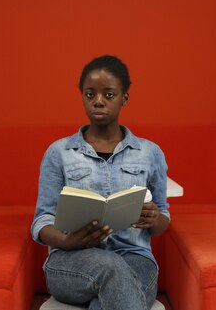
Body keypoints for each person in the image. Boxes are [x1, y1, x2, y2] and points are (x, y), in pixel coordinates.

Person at [31, 55, 170, 310]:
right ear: (82, 96)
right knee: (111, 268)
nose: (98, 101)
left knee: (109, 295)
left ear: (124, 98)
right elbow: (41, 221)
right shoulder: (58, 152)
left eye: (108, 94)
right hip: (71, 261)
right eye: (90, 94)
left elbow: (163, 220)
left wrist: (155, 218)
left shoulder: (150, 153)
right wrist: (66, 241)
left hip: (135, 257)